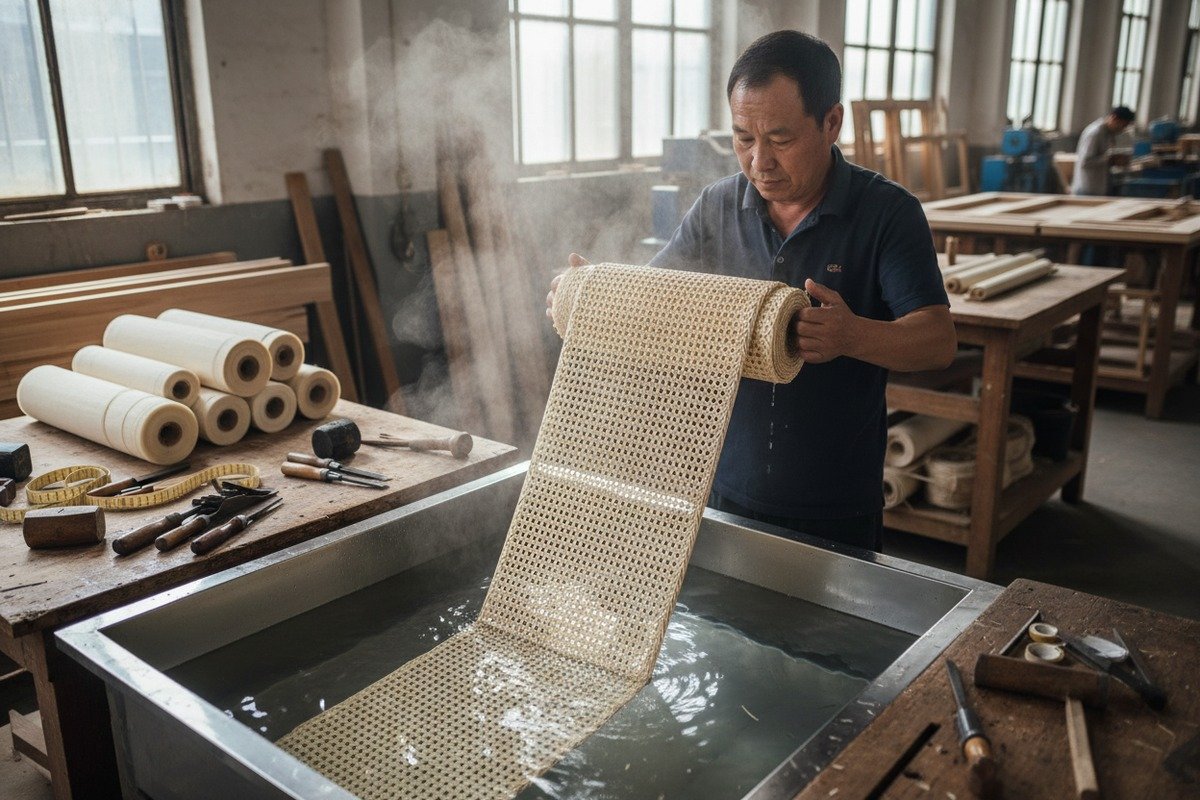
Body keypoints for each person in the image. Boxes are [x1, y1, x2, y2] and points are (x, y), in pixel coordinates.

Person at [545, 30, 955, 552]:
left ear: (831, 122)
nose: (759, 161)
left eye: (779, 139)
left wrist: (852, 336)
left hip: (834, 504)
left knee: (824, 635)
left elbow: (937, 341)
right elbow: (657, 300)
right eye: (743, 138)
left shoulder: (887, 214)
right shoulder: (718, 207)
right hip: (724, 492)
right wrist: (596, 296)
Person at [1071, 106, 1135, 196]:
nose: (1122, 129)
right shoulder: (1095, 133)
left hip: (1098, 187)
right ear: (1114, 118)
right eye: (1123, 125)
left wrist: (1114, 160)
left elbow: (1101, 157)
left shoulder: (1106, 133)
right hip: (1087, 189)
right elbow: (1085, 162)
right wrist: (1109, 159)